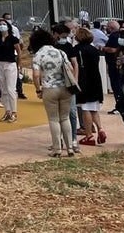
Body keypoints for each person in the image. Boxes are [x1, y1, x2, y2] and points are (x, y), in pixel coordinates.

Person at [30, 29, 74, 157]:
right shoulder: (60, 52)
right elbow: (70, 69)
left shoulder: (38, 55)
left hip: (49, 88)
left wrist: (38, 89)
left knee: (54, 119)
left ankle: (57, 149)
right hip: (65, 88)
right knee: (65, 118)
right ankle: (70, 148)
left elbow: (36, 75)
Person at [74, 27, 107, 145]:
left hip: (84, 80)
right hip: (96, 79)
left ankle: (88, 135)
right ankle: (100, 129)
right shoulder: (94, 49)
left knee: (85, 108)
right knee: (94, 108)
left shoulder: (77, 49)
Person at [51, 23, 80, 152]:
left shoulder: (68, 46)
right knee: (57, 114)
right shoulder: (51, 48)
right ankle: (59, 141)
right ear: (55, 34)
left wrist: (75, 80)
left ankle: (73, 139)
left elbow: (75, 63)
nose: (64, 38)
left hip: (68, 83)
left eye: (65, 36)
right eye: (62, 36)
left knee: (71, 112)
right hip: (55, 84)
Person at [0, 17, 22, 123]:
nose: (2, 26)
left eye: (4, 24)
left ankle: (14, 112)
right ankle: (7, 111)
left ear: (8, 27)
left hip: (10, 64)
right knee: (3, 89)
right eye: (0, 25)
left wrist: (19, 65)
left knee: (11, 89)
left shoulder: (13, 39)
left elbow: (19, 52)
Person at [2, 13, 28, 100]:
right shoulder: (0, 29)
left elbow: (19, 41)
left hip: (14, 54)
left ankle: (19, 91)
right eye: (7, 18)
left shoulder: (15, 29)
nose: (8, 20)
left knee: (17, 73)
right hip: (4, 55)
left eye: (9, 18)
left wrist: (19, 51)